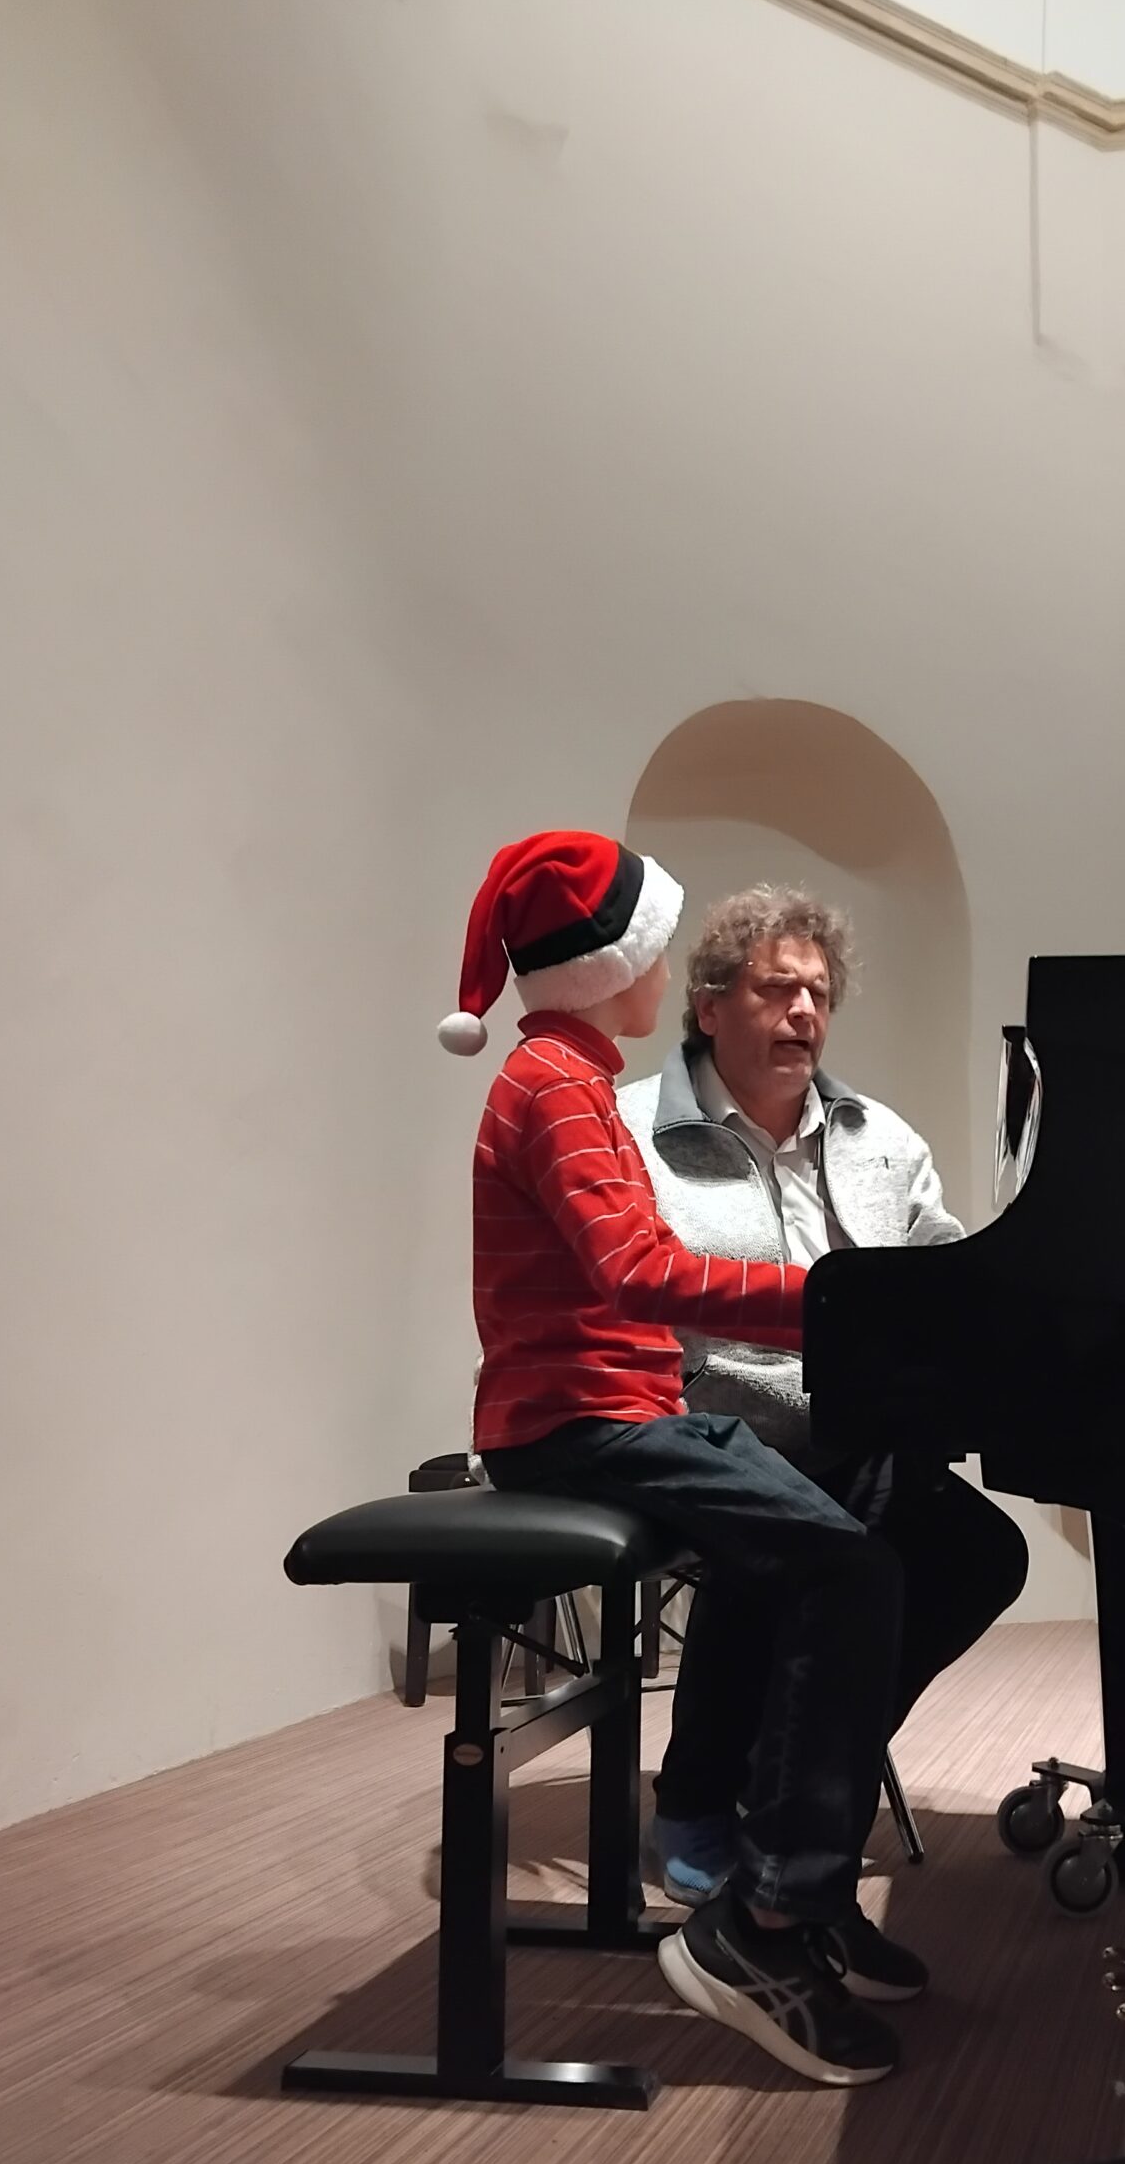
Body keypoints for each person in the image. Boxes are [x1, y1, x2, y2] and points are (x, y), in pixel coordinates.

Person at [438, 830, 922, 2089]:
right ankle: (762, 1920)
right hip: (575, 1426)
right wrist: (835, 1305)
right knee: (850, 1567)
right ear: (618, 965)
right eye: (659, 951)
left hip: (621, 1410)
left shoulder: (571, 1075)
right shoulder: (555, 1085)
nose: (667, 975)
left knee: (864, 1524)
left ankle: (788, 1878)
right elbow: (639, 1273)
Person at [618, 886, 1028, 1904]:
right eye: (775, 989)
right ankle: (702, 1794)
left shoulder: (878, 1136)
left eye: (818, 993)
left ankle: (790, 1769)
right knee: (818, 1514)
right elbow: (619, 1301)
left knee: (982, 1553)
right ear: (710, 1006)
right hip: (705, 1425)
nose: (803, 1010)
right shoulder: (632, 1131)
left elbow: (941, 1267)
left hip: (858, 1426)